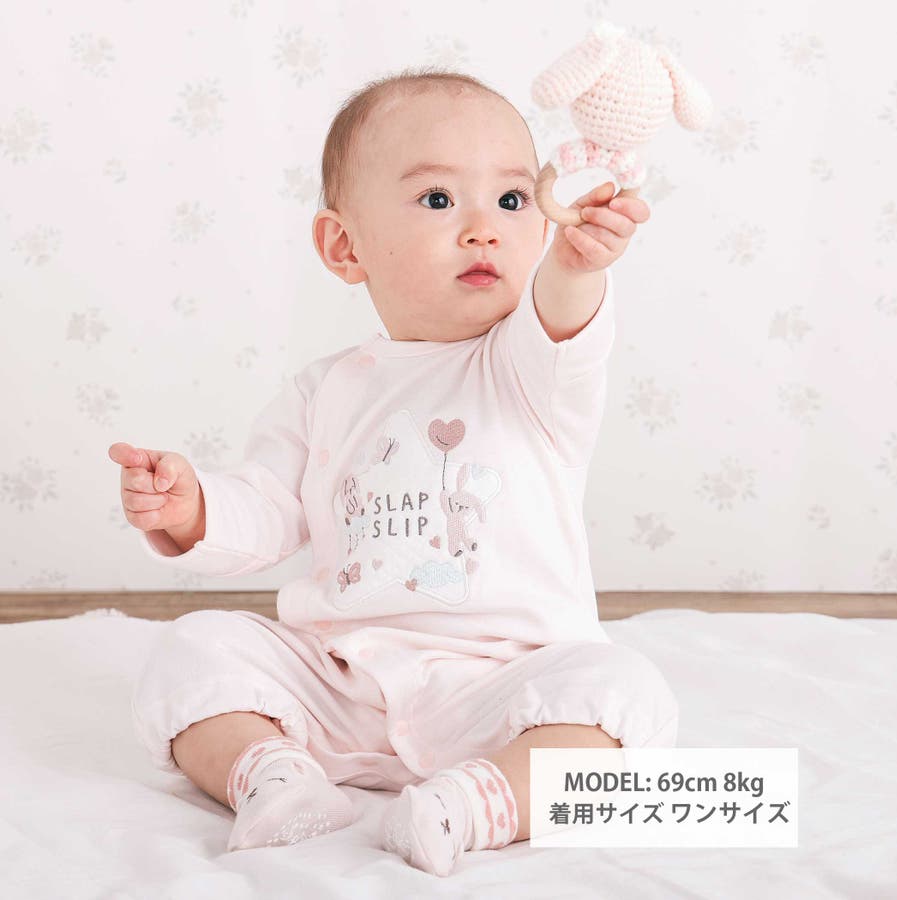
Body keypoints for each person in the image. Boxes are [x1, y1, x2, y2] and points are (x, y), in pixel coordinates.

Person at [110, 66, 677, 877]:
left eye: (512, 200)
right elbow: (266, 510)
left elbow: (563, 311)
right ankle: (275, 777)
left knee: (624, 693)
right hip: (345, 683)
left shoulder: (527, 367)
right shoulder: (324, 391)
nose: (483, 229)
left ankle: (477, 802)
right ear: (345, 247)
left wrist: (581, 264)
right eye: (439, 199)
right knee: (195, 648)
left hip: (504, 687)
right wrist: (191, 507)